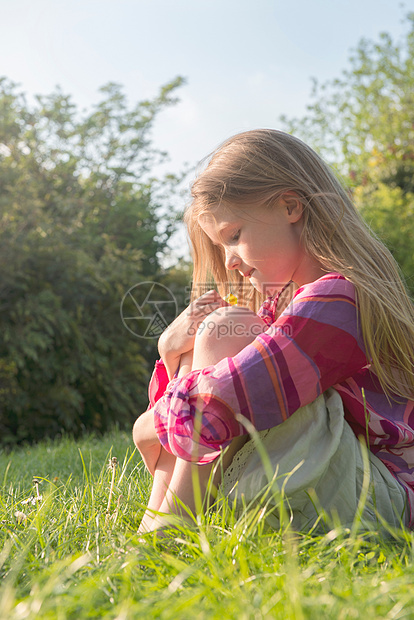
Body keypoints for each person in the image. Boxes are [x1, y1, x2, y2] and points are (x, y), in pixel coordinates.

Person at [133, 129, 414, 534]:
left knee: (225, 331)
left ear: (289, 207)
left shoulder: (340, 298)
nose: (229, 262)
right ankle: (163, 520)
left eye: (234, 236)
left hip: (379, 493)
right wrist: (167, 348)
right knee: (218, 333)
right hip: (341, 482)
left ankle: (168, 527)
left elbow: (229, 398)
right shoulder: (283, 311)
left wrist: (147, 425)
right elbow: (205, 403)